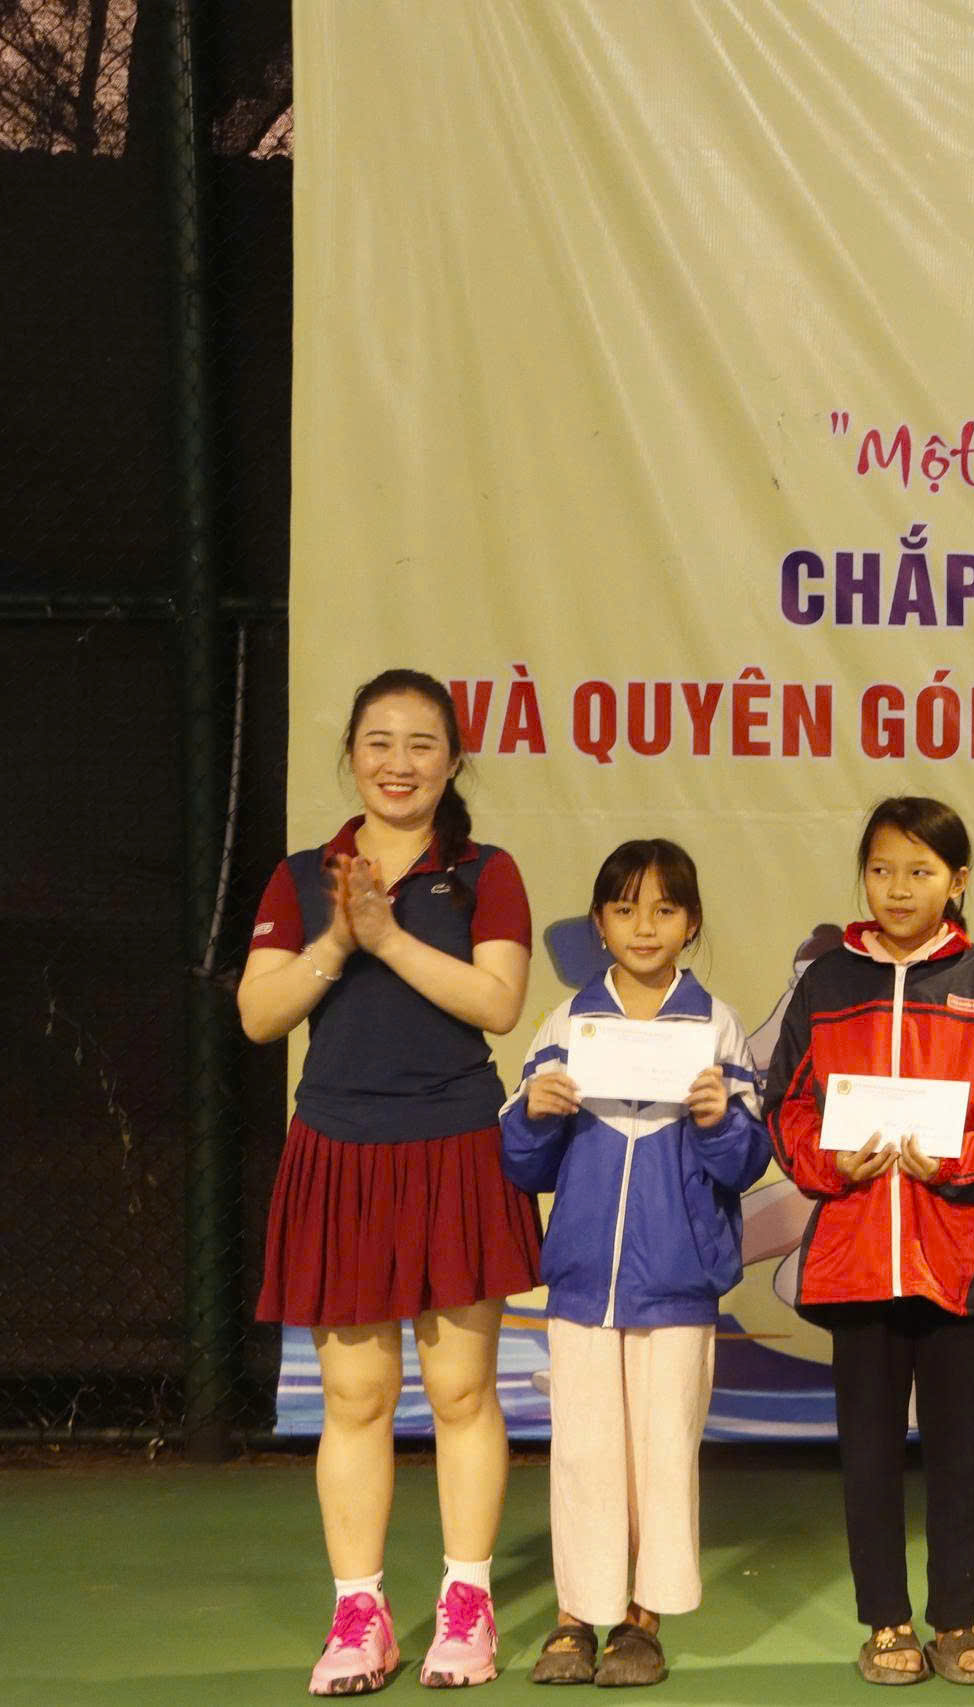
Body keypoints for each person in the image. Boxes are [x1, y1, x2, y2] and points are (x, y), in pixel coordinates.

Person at [238, 668, 542, 1693]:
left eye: (421, 744)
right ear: (352, 756)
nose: (398, 763)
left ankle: (467, 1604)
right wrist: (339, 936)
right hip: (339, 1150)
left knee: (461, 1391)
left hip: (456, 1147)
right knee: (355, 1397)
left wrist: (389, 938)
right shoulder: (301, 877)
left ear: (452, 763)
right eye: (379, 741)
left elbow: (498, 1003)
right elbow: (259, 1015)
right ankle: (359, 1613)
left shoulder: (487, 872)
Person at [764, 798, 974, 1686]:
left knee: (962, 1452)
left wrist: (959, 1161)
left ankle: (957, 1619)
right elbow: (787, 1104)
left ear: (957, 881)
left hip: (962, 1257)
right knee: (870, 1454)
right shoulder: (826, 983)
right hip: (857, 1257)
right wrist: (830, 1161)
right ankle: (887, 1621)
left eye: (920, 871)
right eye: (882, 869)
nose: (898, 888)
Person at [500, 840, 768, 1687]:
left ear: (692, 922)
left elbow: (745, 1161)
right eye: (624, 909)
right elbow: (523, 1162)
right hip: (583, 1280)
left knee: (663, 1450)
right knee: (584, 1450)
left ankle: (644, 1620)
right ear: (599, 923)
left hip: (679, 1281)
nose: (644, 926)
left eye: (663, 909)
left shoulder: (715, 1025)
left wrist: (721, 1119)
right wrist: (536, 1114)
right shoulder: (566, 1023)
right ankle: (576, 1616)